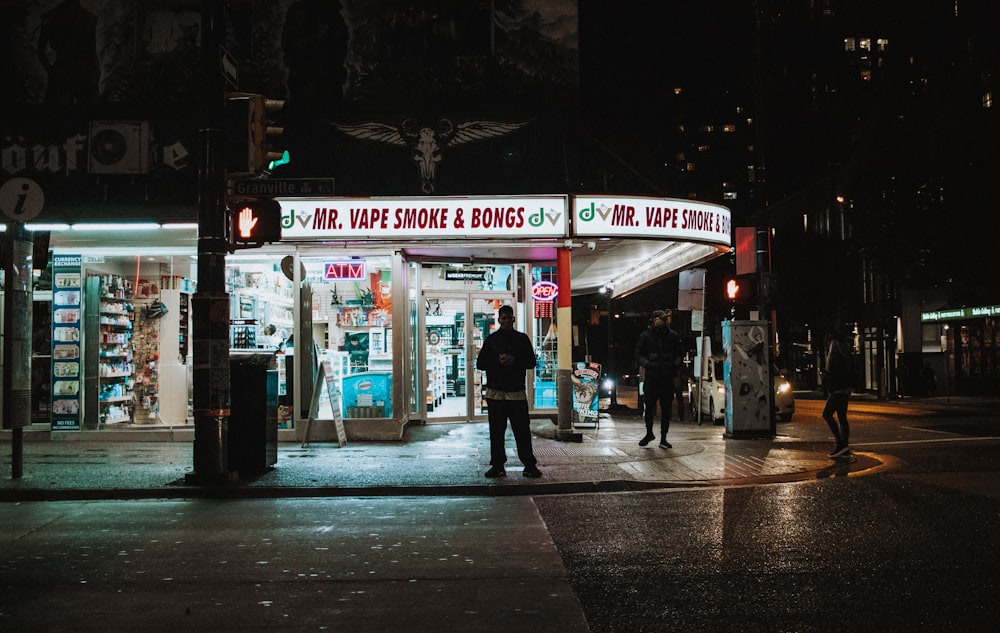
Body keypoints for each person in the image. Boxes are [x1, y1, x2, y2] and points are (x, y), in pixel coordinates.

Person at [475, 305, 542, 478]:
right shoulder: (493, 339)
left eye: (508, 318)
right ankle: (498, 465)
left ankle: (528, 464)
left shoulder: (521, 339)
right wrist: (498, 361)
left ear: (513, 319)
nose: (506, 321)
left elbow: (531, 362)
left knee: (522, 431)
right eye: (503, 318)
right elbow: (480, 363)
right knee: (497, 433)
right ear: (499, 320)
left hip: (514, 393)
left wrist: (514, 360)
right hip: (498, 393)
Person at [634, 309, 682, 448]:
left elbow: (679, 353)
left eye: (665, 319)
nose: (664, 321)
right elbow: (638, 354)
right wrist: (647, 364)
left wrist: (675, 365)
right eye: (661, 319)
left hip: (666, 377)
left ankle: (663, 438)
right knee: (649, 407)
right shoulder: (646, 336)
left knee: (666, 409)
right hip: (652, 377)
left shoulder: (673, 336)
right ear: (655, 320)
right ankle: (649, 433)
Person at [822, 332, 853, 458]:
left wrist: (828, 380)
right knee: (842, 418)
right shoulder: (845, 356)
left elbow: (836, 376)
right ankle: (844, 446)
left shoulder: (835, 357)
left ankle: (841, 444)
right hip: (844, 391)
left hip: (837, 391)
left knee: (827, 414)